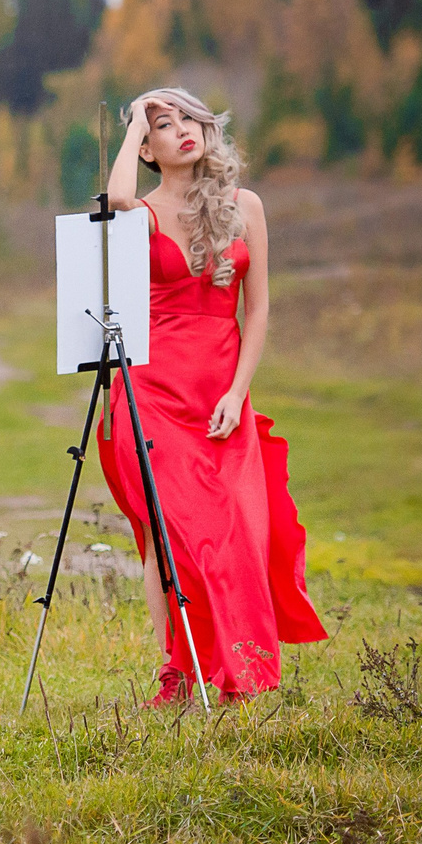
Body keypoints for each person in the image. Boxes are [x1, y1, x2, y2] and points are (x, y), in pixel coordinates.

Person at [99, 87, 327, 703]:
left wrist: (238, 391)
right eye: (164, 126)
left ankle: (242, 670)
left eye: (188, 118)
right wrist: (132, 124)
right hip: (152, 392)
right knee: (171, 534)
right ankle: (176, 671)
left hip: (221, 389)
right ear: (148, 149)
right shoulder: (140, 212)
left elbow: (258, 312)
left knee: (240, 528)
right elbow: (116, 197)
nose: (183, 131)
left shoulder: (243, 205)